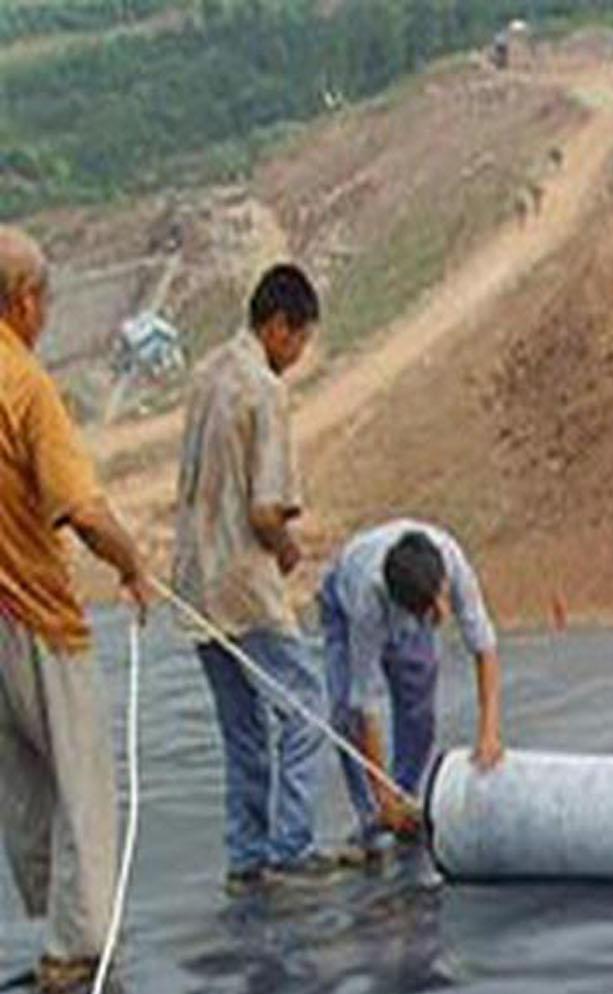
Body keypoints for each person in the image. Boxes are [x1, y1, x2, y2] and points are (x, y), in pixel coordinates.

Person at [0, 225, 154, 994]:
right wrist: (132, 563)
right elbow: (79, 509)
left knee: (24, 784)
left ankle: (54, 918)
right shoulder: (25, 385)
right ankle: (75, 947)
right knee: (82, 781)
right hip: (35, 617)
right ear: (26, 301)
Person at [173, 262, 334, 894]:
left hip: (195, 582)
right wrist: (291, 553)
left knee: (242, 727)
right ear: (279, 327)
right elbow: (265, 511)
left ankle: (247, 858)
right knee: (306, 708)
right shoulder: (263, 389)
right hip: (243, 582)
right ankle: (290, 851)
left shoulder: (206, 373)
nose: (297, 356)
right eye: (300, 341)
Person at [317, 520, 504, 853]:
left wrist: (489, 733)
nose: (442, 613)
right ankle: (375, 817)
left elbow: (484, 647)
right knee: (346, 717)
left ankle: (405, 800)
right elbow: (366, 702)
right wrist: (381, 796)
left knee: (419, 710)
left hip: (407, 592)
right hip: (342, 602)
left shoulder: (451, 562)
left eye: (441, 600)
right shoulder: (368, 600)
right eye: (427, 611)